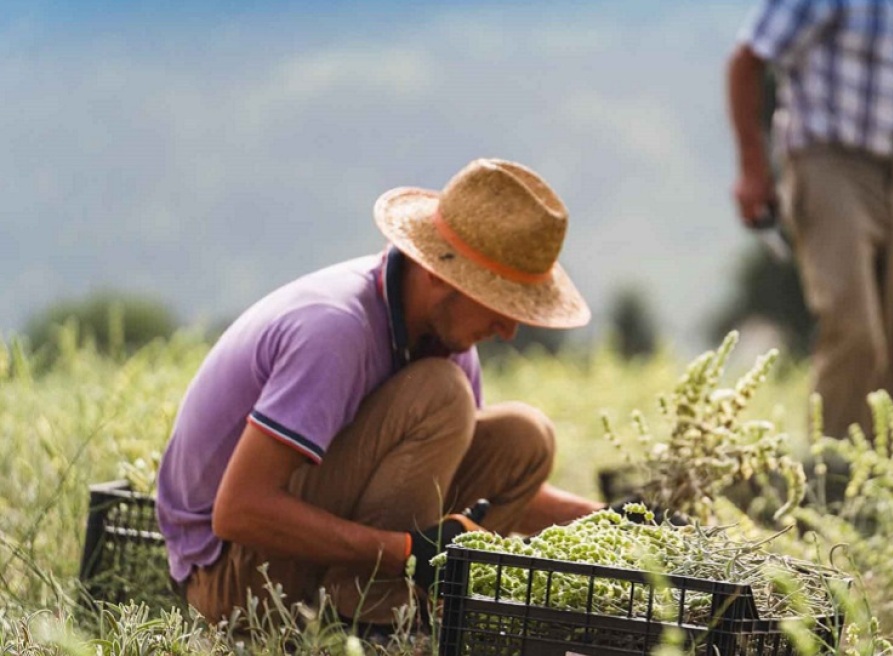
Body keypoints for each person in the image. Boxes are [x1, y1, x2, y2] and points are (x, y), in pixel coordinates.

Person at [155, 158, 606, 628]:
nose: (509, 329)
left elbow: (463, 478)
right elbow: (239, 512)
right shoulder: (335, 332)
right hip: (233, 577)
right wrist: (406, 554)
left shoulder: (445, 339)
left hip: (313, 542)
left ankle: (380, 604)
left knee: (525, 439)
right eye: (499, 302)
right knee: (444, 395)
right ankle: (377, 619)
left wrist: (605, 521)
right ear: (440, 275)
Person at [727, 0, 893, 457]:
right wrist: (754, 168)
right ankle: (834, 485)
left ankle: (889, 481)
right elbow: (747, 60)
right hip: (828, 162)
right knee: (855, 331)